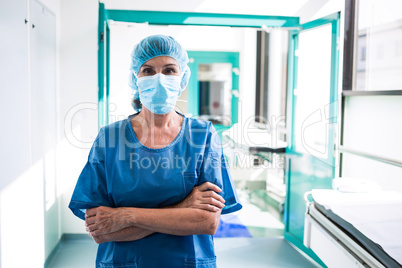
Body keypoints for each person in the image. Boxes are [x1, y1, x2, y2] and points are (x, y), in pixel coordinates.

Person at [69, 34, 242, 268]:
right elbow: (101, 231)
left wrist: (125, 216)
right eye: (148, 71)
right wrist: (183, 209)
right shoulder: (109, 138)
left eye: (170, 70)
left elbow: (206, 221)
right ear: (135, 78)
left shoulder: (203, 136)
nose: (159, 79)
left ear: (183, 78)